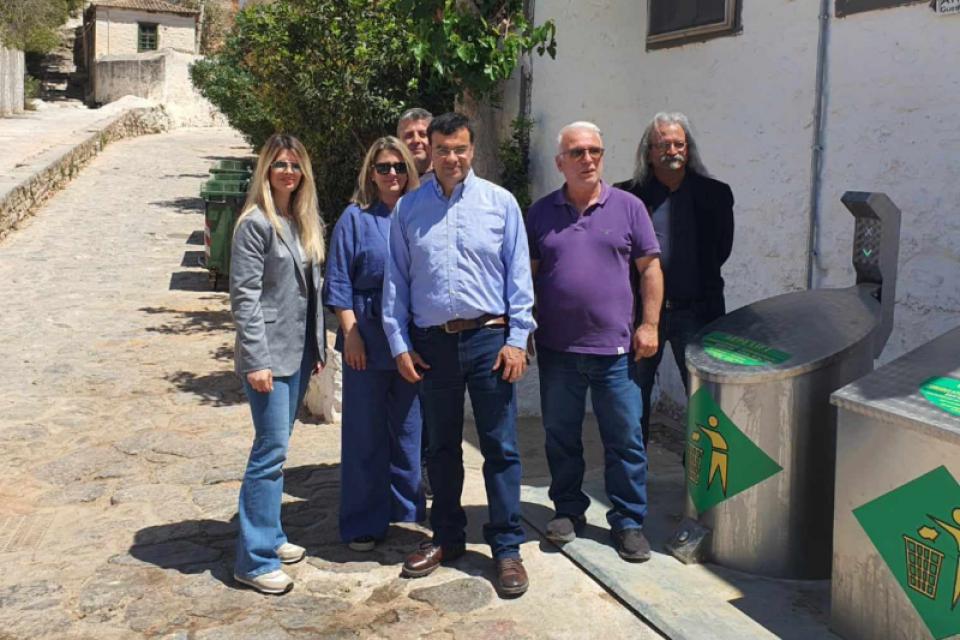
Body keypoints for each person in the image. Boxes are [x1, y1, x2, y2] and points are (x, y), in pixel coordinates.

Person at [382, 112, 536, 597]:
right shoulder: (409, 209)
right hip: (433, 345)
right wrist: (400, 344)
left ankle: (506, 547)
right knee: (441, 448)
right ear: (430, 150)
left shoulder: (500, 203)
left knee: (500, 447)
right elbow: (396, 282)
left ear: (472, 150)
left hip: (490, 340)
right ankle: (447, 537)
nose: (452, 158)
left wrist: (518, 339)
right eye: (443, 150)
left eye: (460, 149)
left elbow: (519, 276)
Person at [526, 122, 663, 562]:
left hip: (616, 351)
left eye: (595, 151)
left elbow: (650, 269)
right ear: (560, 162)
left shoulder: (629, 207)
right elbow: (525, 277)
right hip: (558, 350)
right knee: (560, 436)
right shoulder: (540, 213)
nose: (588, 159)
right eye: (577, 152)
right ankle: (568, 510)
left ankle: (628, 521)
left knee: (624, 438)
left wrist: (650, 325)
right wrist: (522, 328)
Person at [230, 133, 327, 595]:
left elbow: (311, 292)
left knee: (278, 450)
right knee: (268, 454)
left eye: (295, 164)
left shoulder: (301, 220)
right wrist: (256, 360)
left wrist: (317, 349)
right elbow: (245, 297)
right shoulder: (255, 223)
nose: (288, 172)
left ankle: (269, 533)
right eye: (280, 164)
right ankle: (253, 559)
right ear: (266, 169)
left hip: (298, 350)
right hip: (268, 355)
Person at [322, 137, 424, 552]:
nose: (392, 174)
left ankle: (405, 512)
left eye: (399, 166)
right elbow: (339, 280)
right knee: (364, 432)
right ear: (371, 172)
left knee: (408, 429)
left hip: (412, 338)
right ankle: (363, 520)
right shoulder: (355, 217)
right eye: (383, 167)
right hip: (365, 334)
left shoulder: (420, 214)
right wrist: (351, 334)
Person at [615, 112, 734, 447]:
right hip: (640, 316)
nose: (672, 151)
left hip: (697, 312)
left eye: (679, 144)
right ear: (648, 152)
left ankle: (699, 472)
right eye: (663, 145)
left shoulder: (715, 194)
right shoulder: (627, 196)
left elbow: (721, 249)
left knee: (705, 401)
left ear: (688, 148)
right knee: (632, 398)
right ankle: (633, 473)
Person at [397, 107, 433, 177]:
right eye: (409, 135)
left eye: (423, 134)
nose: (416, 140)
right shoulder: (392, 180)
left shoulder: (449, 179)